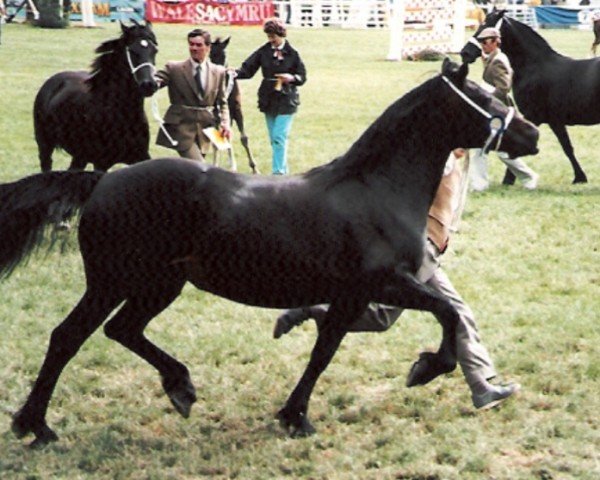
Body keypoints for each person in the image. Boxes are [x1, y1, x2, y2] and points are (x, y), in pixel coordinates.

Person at [274, 149, 520, 410]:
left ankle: (315, 309)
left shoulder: (454, 157)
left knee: (384, 318)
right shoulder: (443, 157)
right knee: (452, 312)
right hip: (420, 250)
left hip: (427, 249)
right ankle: (481, 386)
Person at [232, 18, 306, 175]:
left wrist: (291, 78)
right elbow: (248, 70)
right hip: (268, 98)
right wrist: (234, 73)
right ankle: (284, 171)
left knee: (279, 136)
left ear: (281, 34)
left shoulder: (293, 54)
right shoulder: (263, 51)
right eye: (269, 37)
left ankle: (278, 172)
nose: (271, 40)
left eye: (273, 37)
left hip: (287, 99)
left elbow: (302, 76)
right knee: (274, 139)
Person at [470, 27, 539, 192]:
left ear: (495, 42)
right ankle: (480, 184)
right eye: (481, 42)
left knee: (495, 148)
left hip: (499, 113)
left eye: (485, 42)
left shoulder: (499, 59)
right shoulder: (491, 57)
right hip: (494, 112)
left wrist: (485, 95)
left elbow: (504, 88)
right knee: (484, 147)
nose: (482, 45)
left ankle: (528, 177)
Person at [155, 29, 231, 161]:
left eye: (199, 45)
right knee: (200, 167)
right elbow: (153, 83)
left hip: (206, 129)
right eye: (191, 44)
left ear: (208, 47)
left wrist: (225, 123)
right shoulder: (174, 68)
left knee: (194, 174)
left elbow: (222, 102)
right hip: (181, 127)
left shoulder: (218, 71)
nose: (194, 48)